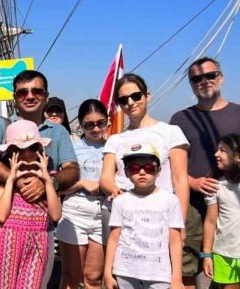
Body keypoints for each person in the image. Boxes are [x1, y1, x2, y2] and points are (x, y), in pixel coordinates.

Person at [0, 70, 79, 289]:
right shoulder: (1, 125)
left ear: (46, 95)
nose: (30, 96)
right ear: (14, 97)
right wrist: (18, 181)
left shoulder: (58, 131)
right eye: (23, 92)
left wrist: (49, 183)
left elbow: (72, 170)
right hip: (0, 225)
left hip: (41, 229)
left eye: (36, 91)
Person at [169, 57, 240, 289]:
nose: (204, 81)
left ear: (221, 77)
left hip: (238, 210)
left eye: (210, 75)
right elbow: (170, 163)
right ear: (191, 84)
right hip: (193, 207)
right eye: (197, 78)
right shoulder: (179, 119)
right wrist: (191, 182)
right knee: (191, 271)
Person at [99, 73, 189, 244]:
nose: (130, 103)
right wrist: (114, 190)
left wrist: (180, 223)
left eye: (136, 96)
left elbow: (180, 180)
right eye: (123, 99)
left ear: (147, 95)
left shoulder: (171, 132)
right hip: (119, 214)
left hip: (159, 214)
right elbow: (105, 178)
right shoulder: (115, 139)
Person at [103, 143, 185, 289]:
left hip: (159, 274)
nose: (142, 172)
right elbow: (114, 238)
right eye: (134, 168)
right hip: (124, 271)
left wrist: (177, 278)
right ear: (126, 172)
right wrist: (107, 272)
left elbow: (175, 241)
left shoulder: (170, 200)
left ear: (159, 171)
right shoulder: (120, 201)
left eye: (149, 168)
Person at [0, 120, 62, 289]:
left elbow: (55, 215)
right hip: (9, 241)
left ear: (40, 149)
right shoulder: (5, 180)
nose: (26, 153)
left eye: (33, 147)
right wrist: (11, 179)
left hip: (38, 241)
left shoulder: (48, 179)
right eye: (18, 149)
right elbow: (1, 215)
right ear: (10, 152)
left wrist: (47, 180)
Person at [57, 99, 108, 289]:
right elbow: (57, 187)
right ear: (80, 124)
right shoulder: (72, 149)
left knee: (94, 278)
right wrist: (81, 184)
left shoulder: (114, 148)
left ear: (107, 120)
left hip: (103, 214)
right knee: (72, 276)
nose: (96, 129)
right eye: (89, 125)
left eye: (100, 123)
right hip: (75, 213)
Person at [201, 134, 240, 289]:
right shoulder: (216, 185)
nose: (216, 154)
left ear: (239, 156)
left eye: (222, 150)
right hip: (224, 254)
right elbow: (210, 221)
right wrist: (206, 254)